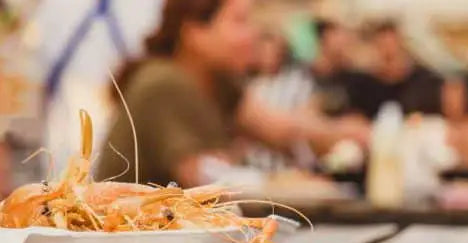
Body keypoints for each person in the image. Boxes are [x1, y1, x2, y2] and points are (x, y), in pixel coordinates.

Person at [97, 0, 368, 187]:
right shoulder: (164, 83)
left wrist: (350, 133)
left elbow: (283, 130)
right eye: (240, 21)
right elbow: (205, 178)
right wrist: (290, 185)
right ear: (194, 31)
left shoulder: (220, 82)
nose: (253, 34)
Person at [245, 32, 317, 172]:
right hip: (255, 164)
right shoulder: (249, 85)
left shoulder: (298, 82)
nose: (268, 56)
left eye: (273, 51)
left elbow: (306, 117)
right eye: (263, 50)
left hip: (291, 162)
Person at [363, 20, 444, 118]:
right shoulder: (366, 85)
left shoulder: (424, 81)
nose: (388, 52)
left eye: (391, 45)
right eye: (382, 46)